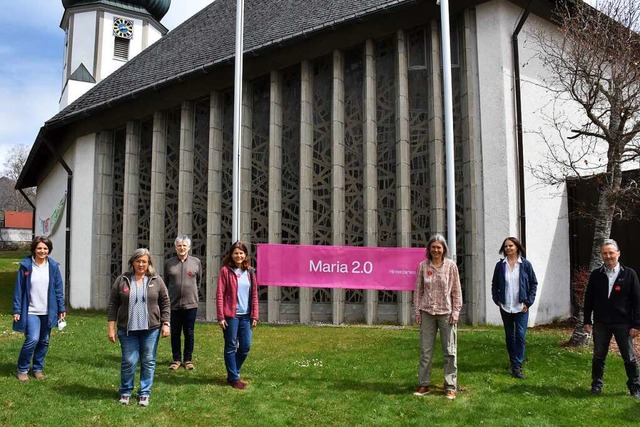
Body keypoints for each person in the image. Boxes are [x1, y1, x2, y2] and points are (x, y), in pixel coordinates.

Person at [108, 248, 171, 406]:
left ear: (149, 263)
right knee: (129, 361)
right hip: (127, 329)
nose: (141, 264)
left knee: (148, 361)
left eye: (144, 261)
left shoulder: (156, 280)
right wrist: (111, 328)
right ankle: (126, 391)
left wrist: (166, 323)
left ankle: (144, 393)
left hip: (151, 329)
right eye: (138, 261)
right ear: (132, 262)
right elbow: (113, 304)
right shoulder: (122, 279)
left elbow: (165, 302)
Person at [583, 239, 640, 399]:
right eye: (605, 253)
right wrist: (587, 320)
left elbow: (637, 301)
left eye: (611, 253)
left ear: (618, 254)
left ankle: (635, 387)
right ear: (601, 255)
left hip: (623, 323)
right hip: (601, 323)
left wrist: (637, 324)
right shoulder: (596, 274)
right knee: (599, 356)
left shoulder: (629, 274)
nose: (608, 256)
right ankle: (596, 385)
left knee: (629, 357)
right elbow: (589, 298)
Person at [413, 234, 463, 400]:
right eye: (433, 247)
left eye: (438, 247)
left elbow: (456, 291)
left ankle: (450, 386)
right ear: (429, 249)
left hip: (446, 314)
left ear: (444, 249)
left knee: (450, 351)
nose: (435, 250)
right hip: (427, 312)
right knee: (425, 351)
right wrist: (417, 311)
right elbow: (418, 291)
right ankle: (424, 384)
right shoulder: (422, 266)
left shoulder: (451, 266)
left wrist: (456, 312)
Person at [12, 236, 66, 382]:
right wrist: (17, 310)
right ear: (34, 249)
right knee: (32, 339)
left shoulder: (53, 267)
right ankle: (22, 369)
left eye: (45, 248)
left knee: (44, 341)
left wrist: (61, 307)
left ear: (49, 250)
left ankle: (37, 368)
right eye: (39, 248)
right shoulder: (25, 266)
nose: (42, 251)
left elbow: (58, 289)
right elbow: (19, 290)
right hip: (30, 311)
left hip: (48, 311)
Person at [491, 236, 538, 379]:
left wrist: (528, 302)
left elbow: (533, 284)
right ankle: (513, 361)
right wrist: (497, 299)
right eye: (505, 246)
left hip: (521, 307)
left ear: (517, 247)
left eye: (510, 246)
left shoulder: (525, 265)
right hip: (506, 306)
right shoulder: (500, 266)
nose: (508, 248)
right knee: (509, 336)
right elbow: (494, 284)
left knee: (520, 335)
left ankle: (517, 366)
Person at [216, 241, 259, 390]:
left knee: (245, 346)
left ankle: (233, 371)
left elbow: (254, 295)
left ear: (245, 255)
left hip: (246, 316)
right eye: (235, 253)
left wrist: (255, 315)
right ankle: (234, 378)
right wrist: (221, 316)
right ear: (231, 255)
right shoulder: (225, 271)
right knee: (230, 346)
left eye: (241, 253)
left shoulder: (251, 272)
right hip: (231, 315)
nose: (238, 255)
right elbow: (220, 294)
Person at [164, 235, 202, 371]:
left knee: (189, 332)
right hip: (173, 304)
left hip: (191, 304)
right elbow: (166, 283)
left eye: (184, 245)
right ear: (175, 247)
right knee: (175, 333)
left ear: (189, 247)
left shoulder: (196, 262)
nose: (182, 248)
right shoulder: (169, 263)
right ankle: (176, 359)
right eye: (179, 245)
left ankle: (188, 359)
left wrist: (192, 294)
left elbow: (198, 282)